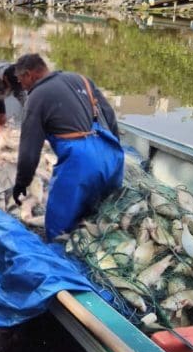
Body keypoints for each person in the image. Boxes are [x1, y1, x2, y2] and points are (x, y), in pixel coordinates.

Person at [11, 54, 124, 240]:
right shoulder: (80, 79)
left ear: (29, 75)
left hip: (82, 163)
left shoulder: (36, 97)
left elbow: (29, 149)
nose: (20, 85)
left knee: (58, 229)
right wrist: (114, 150)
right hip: (112, 156)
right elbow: (109, 116)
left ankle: (60, 259)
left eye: (20, 79)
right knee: (100, 216)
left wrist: (22, 182)